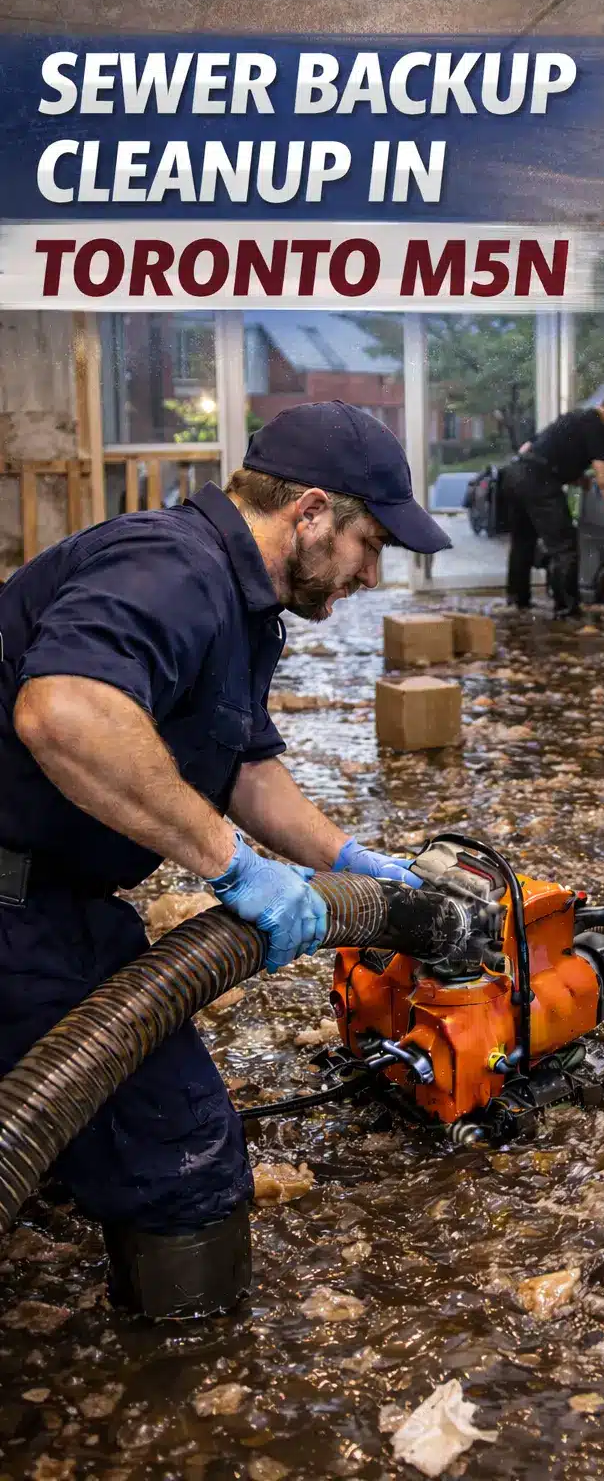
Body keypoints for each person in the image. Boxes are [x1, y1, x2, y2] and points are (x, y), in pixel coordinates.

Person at [0, 401, 451, 1319]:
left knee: (78, 1125)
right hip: (14, 899)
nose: (371, 572)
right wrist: (233, 869)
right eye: (370, 544)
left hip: (52, 890)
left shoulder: (244, 602)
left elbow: (241, 762)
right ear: (312, 511)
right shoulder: (173, 568)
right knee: (184, 1154)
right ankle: (186, 1373)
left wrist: (353, 861)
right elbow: (64, 713)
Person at [502, 386, 604, 618]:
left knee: (523, 542)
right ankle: (567, 610)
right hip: (539, 482)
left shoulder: (576, 417)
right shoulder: (598, 428)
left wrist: (574, 477)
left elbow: (530, 447)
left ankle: (517, 601)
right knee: (565, 548)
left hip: (516, 475)